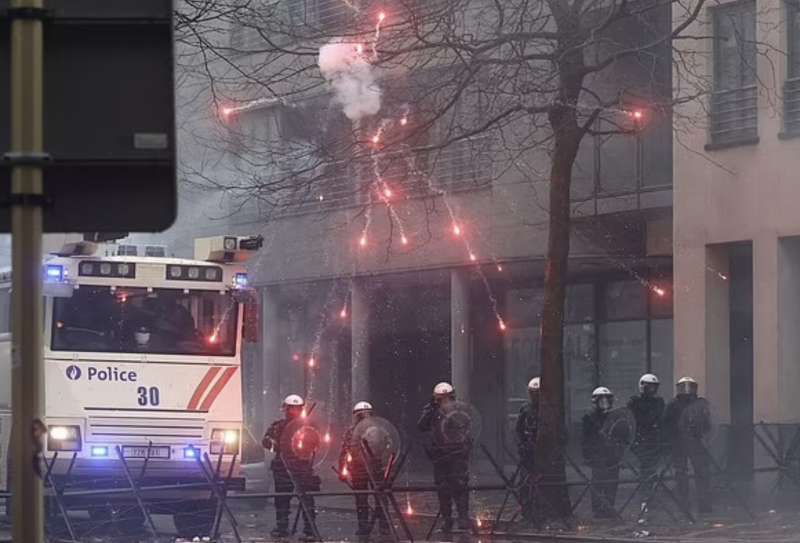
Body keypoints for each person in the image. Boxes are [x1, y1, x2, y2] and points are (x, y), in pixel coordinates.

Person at [262, 394, 319, 539]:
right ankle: (285, 528)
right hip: (283, 466)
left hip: (302, 466)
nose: (293, 411)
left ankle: (308, 529)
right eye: (291, 408)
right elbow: (266, 441)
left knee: (305, 499)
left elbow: (317, 442)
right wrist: (278, 445)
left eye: (296, 408)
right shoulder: (278, 426)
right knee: (283, 499)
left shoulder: (308, 426)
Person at [418, 382, 471, 532]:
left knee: (460, 485)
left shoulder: (459, 410)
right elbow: (421, 426)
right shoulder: (433, 411)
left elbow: (468, 426)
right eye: (441, 399)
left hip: (457, 453)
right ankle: (447, 520)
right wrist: (431, 408)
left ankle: (463, 518)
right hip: (440, 455)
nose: (444, 402)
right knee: (442, 489)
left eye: (446, 398)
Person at [339, 401, 389, 537]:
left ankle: (370, 525)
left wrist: (342, 469)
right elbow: (345, 451)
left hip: (367, 467)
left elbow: (344, 451)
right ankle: (379, 525)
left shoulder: (370, 430)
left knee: (367, 498)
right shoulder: (377, 429)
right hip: (365, 467)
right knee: (373, 497)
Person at [663, 376, 712, 515]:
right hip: (678, 443)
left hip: (695, 442)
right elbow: (666, 423)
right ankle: (683, 502)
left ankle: (704, 503)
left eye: (689, 387)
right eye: (684, 387)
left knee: (701, 471)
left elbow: (706, 422)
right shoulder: (673, 405)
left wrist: (702, 433)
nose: (687, 391)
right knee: (681, 472)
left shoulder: (699, 404)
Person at [627, 373, 665, 514]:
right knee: (645, 470)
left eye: (654, 387)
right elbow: (633, 421)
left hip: (654, 440)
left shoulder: (658, 402)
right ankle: (645, 498)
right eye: (649, 387)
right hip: (641, 440)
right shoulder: (634, 402)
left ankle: (650, 497)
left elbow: (661, 419)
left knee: (653, 470)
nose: (652, 390)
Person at [582, 386, 619, 519]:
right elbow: (586, 438)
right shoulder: (589, 417)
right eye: (601, 400)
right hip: (598, 455)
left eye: (607, 400)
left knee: (612, 483)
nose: (604, 403)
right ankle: (597, 510)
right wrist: (588, 456)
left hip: (612, 455)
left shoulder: (614, 416)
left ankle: (609, 507)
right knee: (598, 483)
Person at [515, 377, 540, 522]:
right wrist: (522, 445)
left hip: (543, 452)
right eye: (533, 393)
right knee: (524, 483)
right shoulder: (525, 409)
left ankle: (539, 510)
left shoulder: (548, 408)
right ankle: (526, 510)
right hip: (528, 452)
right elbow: (518, 430)